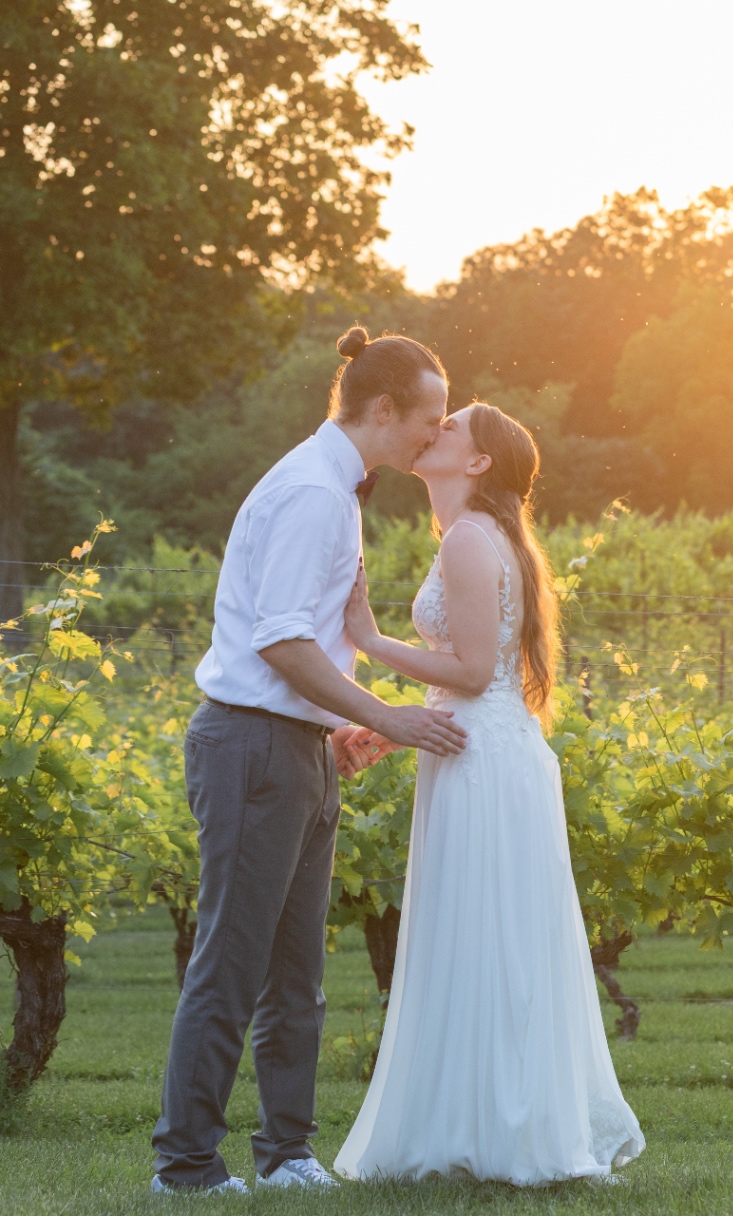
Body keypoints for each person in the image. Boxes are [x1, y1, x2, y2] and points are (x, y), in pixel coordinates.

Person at [151, 327, 469, 1195]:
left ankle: (288, 1156)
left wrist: (332, 730)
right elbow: (281, 639)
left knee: (297, 973)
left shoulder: (338, 488)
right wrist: (382, 715)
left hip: (294, 745)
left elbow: (300, 644)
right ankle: (184, 1167)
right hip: (251, 748)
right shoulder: (311, 494)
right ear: (382, 409)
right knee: (233, 960)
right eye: (430, 418)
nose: (436, 435)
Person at [331, 401, 644, 1184]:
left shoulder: (472, 538)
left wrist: (371, 643)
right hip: (483, 747)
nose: (434, 428)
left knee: (483, 935)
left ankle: (496, 1132)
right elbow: (480, 680)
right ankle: (497, 1126)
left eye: (454, 426)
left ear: (477, 464)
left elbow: (472, 672)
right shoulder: (477, 536)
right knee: (486, 937)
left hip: (485, 761)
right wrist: (393, 725)